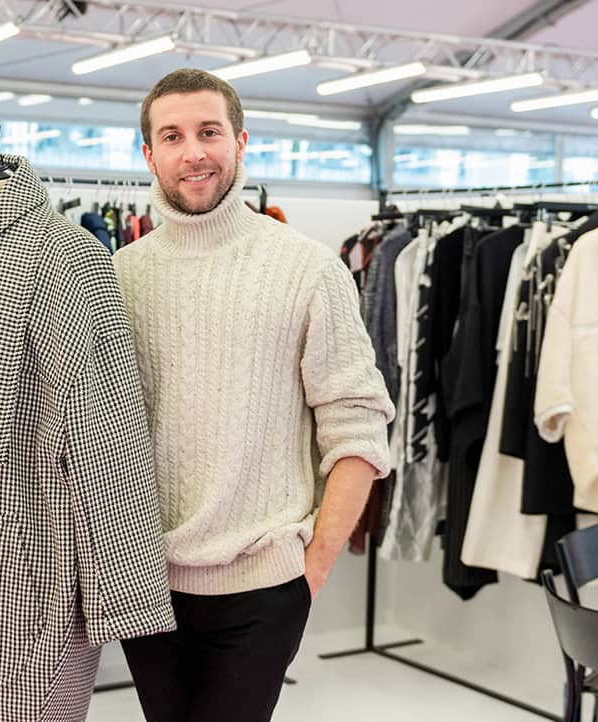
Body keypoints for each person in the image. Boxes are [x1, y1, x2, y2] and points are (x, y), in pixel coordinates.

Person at [113, 68, 395, 721]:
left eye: (209, 132)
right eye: (173, 136)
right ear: (149, 155)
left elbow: (356, 425)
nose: (194, 153)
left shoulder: (307, 266)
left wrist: (313, 567)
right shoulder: (119, 275)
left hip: (264, 585)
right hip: (145, 583)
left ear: (241, 142)